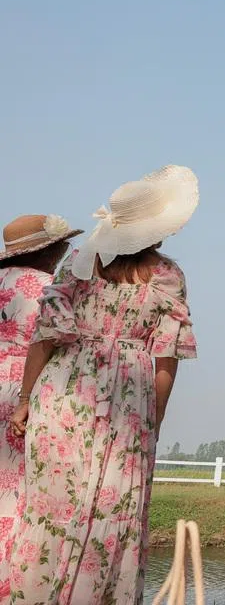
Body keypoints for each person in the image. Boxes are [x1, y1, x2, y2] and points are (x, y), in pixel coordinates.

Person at [7, 166, 199, 604]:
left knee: (50, 505)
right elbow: (166, 356)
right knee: (116, 508)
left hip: (65, 390)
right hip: (129, 398)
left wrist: (25, 400)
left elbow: (46, 337)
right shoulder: (168, 276)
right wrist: (155, 418)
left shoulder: (77, 266)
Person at [0, 215, 81, 598]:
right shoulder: (51, 291)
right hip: (25, 390)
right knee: (22, 489)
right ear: (51, 251)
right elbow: (64, 342)